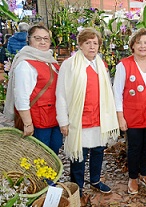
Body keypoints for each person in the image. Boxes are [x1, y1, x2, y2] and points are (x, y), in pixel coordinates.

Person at [56, 28, 119, 196]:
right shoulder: (70, 65)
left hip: (99, 117)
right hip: (79, 119)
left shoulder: (100, 64)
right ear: (80, 45)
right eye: (88, 43)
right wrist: (63, 121)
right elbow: (61, 94)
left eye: (95, 43)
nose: (92, 47)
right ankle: (78, 186)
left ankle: (96, 180)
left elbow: (108, 91)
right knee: (79, 154)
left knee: (98, 150)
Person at [3, 24, 62, 154]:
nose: (43, 42)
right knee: (39, 155)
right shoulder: (25, 64)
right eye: (38, 38)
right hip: (38, 120)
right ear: (29, 40)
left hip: (54, 117)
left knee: (53, 152)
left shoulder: (50, 60)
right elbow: (21, 96)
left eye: (46, 39)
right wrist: (28, 123)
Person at [113, 28, 146, 195]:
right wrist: (120, 117)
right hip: (132, 117)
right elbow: (117, 93)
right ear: (132, 45)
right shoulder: (124, 65)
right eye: (139, 42)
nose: (142, 46)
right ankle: (132, 177)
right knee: (134, 147)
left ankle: (144, 175)